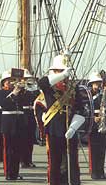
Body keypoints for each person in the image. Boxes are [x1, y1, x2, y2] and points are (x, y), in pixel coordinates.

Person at [38, 54, 85, 185]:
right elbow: (42, 82)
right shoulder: (49, 87)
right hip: (54, 129)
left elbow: (80, 109)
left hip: (70, 129)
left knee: (72, 163)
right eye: (60, 71)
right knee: (55, 162)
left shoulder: (73, 88)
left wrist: (73, 127)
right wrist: (62, 75)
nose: (65, 76)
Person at [0, 70, 25, 180]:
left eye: (12, 81)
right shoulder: (0, 93)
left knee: (17, 149)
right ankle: (8, 172)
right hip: (8, 122)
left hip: (18, 122)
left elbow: (25, 102)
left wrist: (23, 90)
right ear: (4, 83)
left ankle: (15, 172)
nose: (11, 83)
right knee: (8, 149)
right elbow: (4, 105)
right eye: (8, 81)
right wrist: (14, 93)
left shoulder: (19, 92)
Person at [86, 71, 106, 179]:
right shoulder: (87, 96)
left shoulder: (103, 95)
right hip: (92, 124)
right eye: (95, 83)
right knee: (93, 150)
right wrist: (93, 117)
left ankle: (101, 171)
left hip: (103, 124)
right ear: (91, 84)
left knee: (102, 149)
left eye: (98, 83)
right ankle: (94, 172)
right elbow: (85, 110)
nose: (97, 86)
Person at [20, 69, 39, 168]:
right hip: (23, 115)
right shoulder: (21, 90)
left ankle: (29, 160)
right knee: (23, 139)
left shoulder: (34, 90)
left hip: (32, 114)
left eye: (28, 78)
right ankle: (23, 160)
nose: (26, 80)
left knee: (30, 140)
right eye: (25, 79)